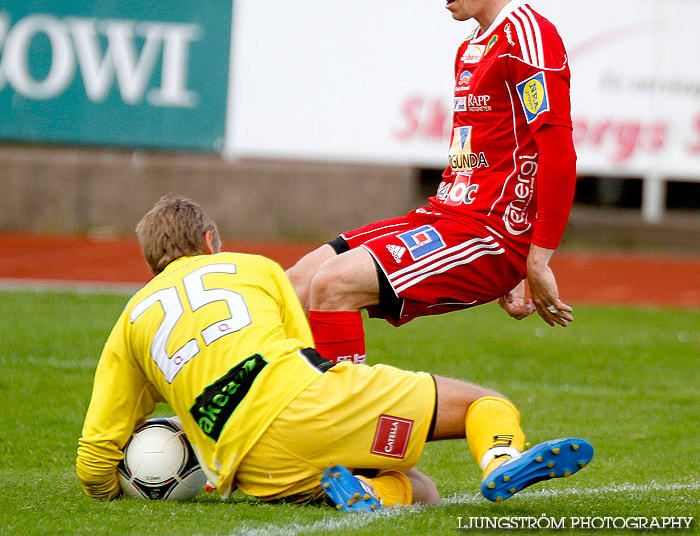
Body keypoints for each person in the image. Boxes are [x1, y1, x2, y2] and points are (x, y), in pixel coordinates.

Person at [77, 196, 592, 510]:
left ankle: (371, 497)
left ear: (151, 264)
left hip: (253, 472)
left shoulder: (130, 322)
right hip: (308, 403)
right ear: (212, 240)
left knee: (420, 489)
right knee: (486, 405)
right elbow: (304, 351)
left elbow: (95, 455)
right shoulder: (254, 267)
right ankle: (502, 458)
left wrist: (109, 490)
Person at [285, 0, 577, 368]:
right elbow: (480, 156)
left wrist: (533, 258)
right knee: (297, 283)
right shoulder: (473, 45)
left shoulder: (527, 35)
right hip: (447, 216)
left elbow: (557, 151)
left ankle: (347, 428)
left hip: (490, 233)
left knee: (333, 283)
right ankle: (286, 415)